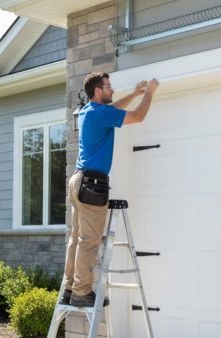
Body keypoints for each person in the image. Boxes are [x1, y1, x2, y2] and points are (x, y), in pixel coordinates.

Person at [61, 72, 159, 307]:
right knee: (89, 240)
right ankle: (82, 292)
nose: (112, 89)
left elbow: (113, 108)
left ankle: (70, 288)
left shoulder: (88, 111)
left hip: (77, 181)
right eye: (108, 86)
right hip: (92, 184)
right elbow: (138, 116)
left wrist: (135, 93)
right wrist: (150, 94)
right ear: (98, 91)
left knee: (76, 238)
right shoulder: (100, 113)